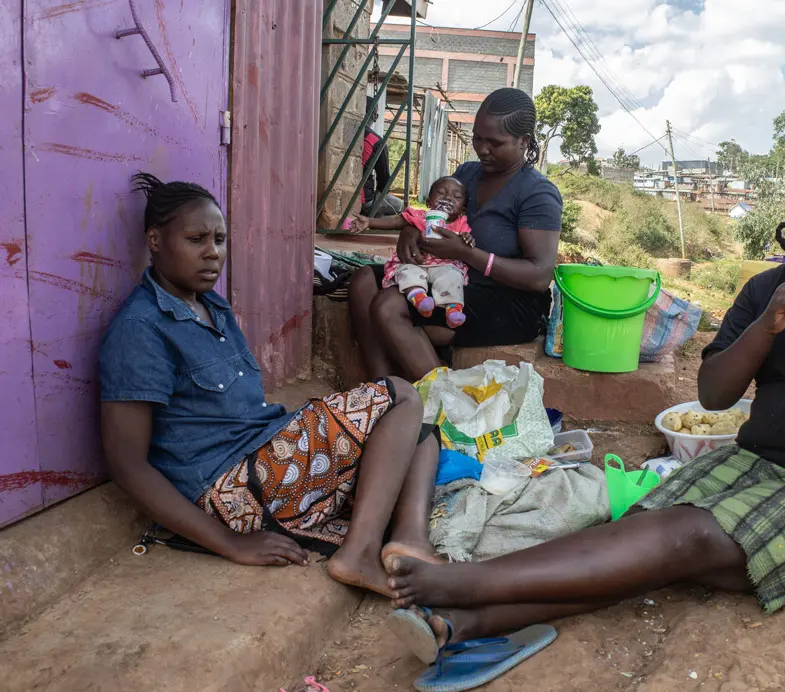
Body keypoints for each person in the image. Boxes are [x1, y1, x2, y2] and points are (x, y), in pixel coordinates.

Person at [379, 151, 785, 653]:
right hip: (752, 466)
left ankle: (465, 586)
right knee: (642, 532)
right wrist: (768, 325)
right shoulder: (767, 291)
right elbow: (714, 394)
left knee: (689, 537)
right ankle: (461, 623)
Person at [99, 173, 440, 598]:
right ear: (154, 240)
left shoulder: (211, 306)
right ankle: (360, 552)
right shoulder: (141, 329)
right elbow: (127, 464)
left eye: (220, 240)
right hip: (234, 488)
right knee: (400, 394)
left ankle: (409, 540)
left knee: (421, 437)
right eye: (196, 239)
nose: (212, 253)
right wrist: (230, 543)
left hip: (267, 454)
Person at [348, 88, 563, 381]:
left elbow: (539, 276)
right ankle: (382, 388)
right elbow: (440, 212)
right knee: (363, 280)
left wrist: (466, 254)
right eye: (477, 138)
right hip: (450, 274)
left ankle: (444, 405)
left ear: (523, 141)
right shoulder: (468, 173)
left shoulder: (537, 193)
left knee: (389, 305)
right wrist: (412, 229)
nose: (482, 149)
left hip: (508, 300)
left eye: (494, 143)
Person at [352, 176, 473, 329]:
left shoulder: (461, 224)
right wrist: (370, 222)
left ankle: (453, 310)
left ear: (463, 209)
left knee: (453, 277)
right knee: (406, 271)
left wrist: (468, 239)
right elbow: (396, 221)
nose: (448, 198)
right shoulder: (420, 217)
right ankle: (419, 298)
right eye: (441, 193)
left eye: (456, 196)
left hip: (445, 265)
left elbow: (466, 240)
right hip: (417, 262)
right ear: (429, 202)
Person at [361, 99, 404, 219]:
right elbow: (385, 181)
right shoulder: (375, 141)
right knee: (402, 207)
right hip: (364, 200)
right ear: (375, 116)